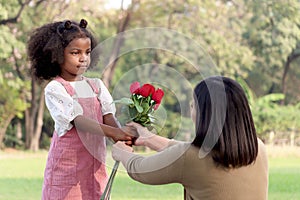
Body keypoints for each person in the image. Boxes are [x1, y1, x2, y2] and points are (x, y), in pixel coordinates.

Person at [112, 76, 269, 200]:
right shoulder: (258, 148)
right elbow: (185, 151)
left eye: (193, 106)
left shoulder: (190, 158)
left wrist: (121, 152)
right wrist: (149, 138)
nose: (191, 111)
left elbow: (141, 168)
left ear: (204, 115)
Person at [27, 19, 134, 200]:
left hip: (94, 167)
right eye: (75, 53)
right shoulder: (56, 89)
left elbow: (108, 115)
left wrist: (120, 134)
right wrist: (114, 133)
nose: (83, 58)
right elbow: (78, 120)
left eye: (87, 52)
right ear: (57, 56)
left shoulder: (96, 86)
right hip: (67, 168)